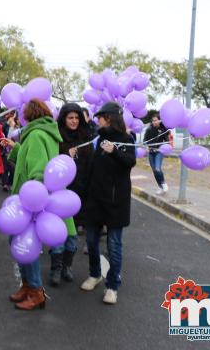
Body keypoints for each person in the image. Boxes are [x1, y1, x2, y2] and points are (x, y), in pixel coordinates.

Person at [2, 99, 62, 310]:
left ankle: (36, 291)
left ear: (29, 115)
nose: (20, 117)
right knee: (19, 243)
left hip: (29, 202)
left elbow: (38, 169)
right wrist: (17, 147)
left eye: (23, 114)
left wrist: (33, 202)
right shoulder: (42, 132)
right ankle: (28, 287)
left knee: (25, 246)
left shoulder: (36, 135)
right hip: (29, 200)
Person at [80, 102, 136, 305]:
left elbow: (130, 162)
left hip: (116, 202)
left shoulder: (126, 138)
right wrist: (84, 193)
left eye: (100, 117)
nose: (97, 120)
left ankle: (112, 286)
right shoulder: (99, 138)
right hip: (95, 200)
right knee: (92, 242)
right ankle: (95, 274)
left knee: (114, 246)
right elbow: (93, 167)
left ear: (109, 118)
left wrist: (115, 152)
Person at [49, 103, 93, 286]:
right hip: (61, 193)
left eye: (77, 118)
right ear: (64, 119)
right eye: (70, 118)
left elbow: (91, 165)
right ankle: (56, 269)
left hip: (80, 193)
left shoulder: (86, 137)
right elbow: (52, 163)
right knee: (59, 234)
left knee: (73, 236)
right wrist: (66, 154)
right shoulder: (57, 138)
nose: (74, 121)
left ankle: (67, 266)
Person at [144, 113, 169, 195]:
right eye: (153, 121)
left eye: (156, 120)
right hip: (151, 152)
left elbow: (167, 141)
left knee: (158, 169)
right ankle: (160, 187)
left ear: (159, 120)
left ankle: (164, 183)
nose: (154, 122)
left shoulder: (163, 130)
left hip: (159, 152)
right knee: (154, 171)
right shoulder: (149, 129)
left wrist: (164, 148)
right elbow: (145, 141)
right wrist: (146, 147)